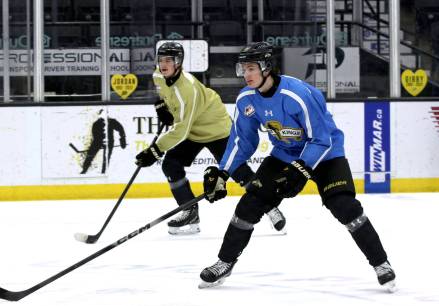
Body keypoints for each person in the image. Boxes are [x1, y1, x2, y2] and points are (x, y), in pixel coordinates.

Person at [199, 41, 396, 292]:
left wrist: (301, 170)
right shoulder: (246, 100)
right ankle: (224, 262)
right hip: (284, 154)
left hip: (326, 154)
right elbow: (243, 141)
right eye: (242, 69)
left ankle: (381, 263)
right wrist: (222, 172)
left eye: (251, 68)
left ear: (267, 67)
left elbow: (321, 139)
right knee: (249, 205)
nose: (245, 75)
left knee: (345, 206)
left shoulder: (298, 94)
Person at [135, 41, 286, 235]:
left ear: (178, 62)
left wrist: (155, 150)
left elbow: (180, 130)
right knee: (170, 165)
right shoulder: (158, 75)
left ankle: (269, 207)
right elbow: (165, 95)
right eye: (161, 59)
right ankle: (189, 211)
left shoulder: (187, 88)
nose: (163, 64)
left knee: (238, 170)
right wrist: (162, 106)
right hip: (194, 131)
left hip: (218, 130)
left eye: (169, 60)